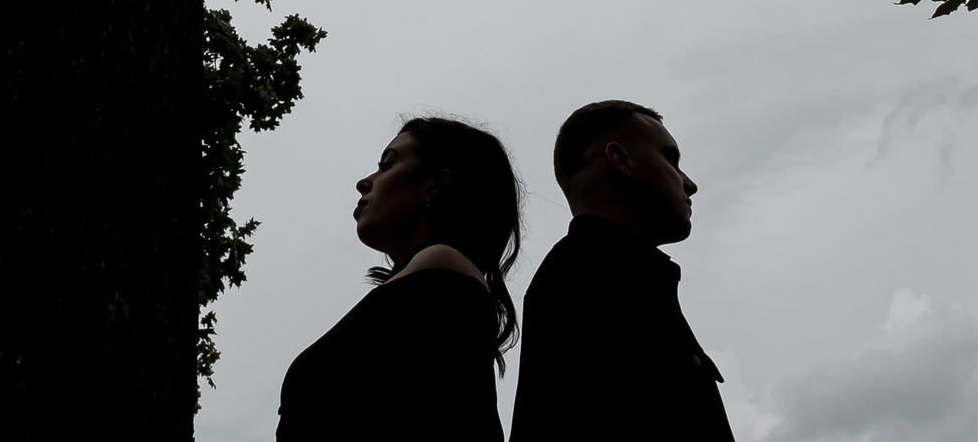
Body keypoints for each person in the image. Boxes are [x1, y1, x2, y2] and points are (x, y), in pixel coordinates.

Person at [278, 116, 521, 442]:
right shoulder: (433, 280)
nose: (364, 182)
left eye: (387, 165)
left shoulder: (442, 268)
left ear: (436, 184)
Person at [509, 101, 734, 442]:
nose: (689, 184)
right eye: (671, 159)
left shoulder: (611, 276)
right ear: (621, 160)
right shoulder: (590, 283)